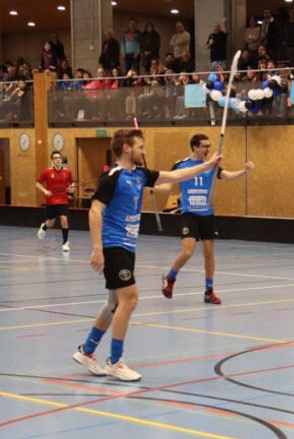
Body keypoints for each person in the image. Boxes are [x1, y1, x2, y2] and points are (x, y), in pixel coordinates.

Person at [74, 129, 221, 382]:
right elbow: (95, 211)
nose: (144, 151)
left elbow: (176, 175)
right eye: (140, 147)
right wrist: (98, 248)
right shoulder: (113, 177)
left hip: (128, 247)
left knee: (114, 304)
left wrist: (208, 165)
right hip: (113, 246)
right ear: (126, 149)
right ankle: (115, 361)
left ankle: (87, 351)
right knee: (129, 300)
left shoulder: (139, 175)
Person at [161, 133, 254, 305]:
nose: (207, 149)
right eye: (204, 146)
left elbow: (228, 176)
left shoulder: (212, 166)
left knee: (209, 254)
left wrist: (245, 171)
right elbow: (167, 186)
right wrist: (150, 186)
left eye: (208, 146)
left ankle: (209, 291)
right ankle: (170, 277)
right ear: (195, 147)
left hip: (207, 214)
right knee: (188, 251)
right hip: (189, 213)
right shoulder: (181, 165)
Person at [35, 151, 75, 252]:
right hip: (51, 201)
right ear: (52, 160)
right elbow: (37, 183)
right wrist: (45, 191)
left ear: (61, 160)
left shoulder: (67, 172)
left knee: (64, 220)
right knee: (50, 223)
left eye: (59, 158)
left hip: (63, 200)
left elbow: (72, 183)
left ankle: (65, 243)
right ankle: (44, 226)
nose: (58, 160)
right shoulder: (47, 172)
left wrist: (72, 188)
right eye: (55, 158)